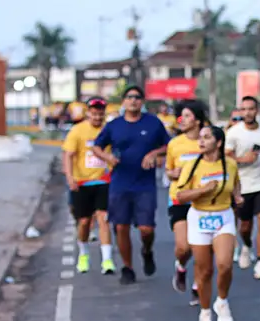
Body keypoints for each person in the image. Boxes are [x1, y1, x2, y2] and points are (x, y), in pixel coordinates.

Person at [92, 86, 170, 285]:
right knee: (121, 227)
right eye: (129, 97)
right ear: (124, 101)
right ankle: (127, 267)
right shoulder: (114, 125)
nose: (133, 100)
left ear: (142, 101)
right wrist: (107, 157)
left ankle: (147, 250)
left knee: (146, 229)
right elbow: (96, 146)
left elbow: (168, 144)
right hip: (120, 183)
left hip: (144, 184)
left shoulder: (153, 123)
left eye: (137, 97)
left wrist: (154, 154)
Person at [175, 126, 243, 321]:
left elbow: (236, 183)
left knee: (225, 264)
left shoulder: (230, 164)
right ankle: (205, 312)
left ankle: (222, 301)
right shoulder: (192, 166)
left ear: (218, 142)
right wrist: (203, 190)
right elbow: (180, 196)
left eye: (207, 137)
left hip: (223, 216)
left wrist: (237, 196)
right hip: (200, 217)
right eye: (200, 138)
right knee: (204, 271)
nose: (201, 141)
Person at [225, 95, 260, 279]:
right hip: (242, 185)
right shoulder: (233, 133)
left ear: (258, 110)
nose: (247, 112)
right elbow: (226, 157)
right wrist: (243, 159)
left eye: (251, 109)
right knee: (245, 226)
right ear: (240, 111)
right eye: (244, 109)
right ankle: (246, 246)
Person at [61, 97, 116, 275]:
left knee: (103, 218)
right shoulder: (77, 131)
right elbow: (68, 155)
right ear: (88, 114)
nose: (97, 118)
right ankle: (83, 254)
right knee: (84, 222)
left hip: (103, 180)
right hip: (82, 182)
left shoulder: (108, 130)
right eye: (94, 114)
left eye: (100, 114)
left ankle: (107, 259)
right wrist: (70, 177)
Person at [166, 100, 207, 304]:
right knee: (184, 248)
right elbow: (168, 171)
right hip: (179, 198)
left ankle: (197, 287)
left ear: (198, 120)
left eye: (187, 116)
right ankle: (181, 267)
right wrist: (173, 173)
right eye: (181, 116)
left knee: (201, 249)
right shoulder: (175, 144)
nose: (182, 120)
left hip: (203, 201)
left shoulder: (207, 141)